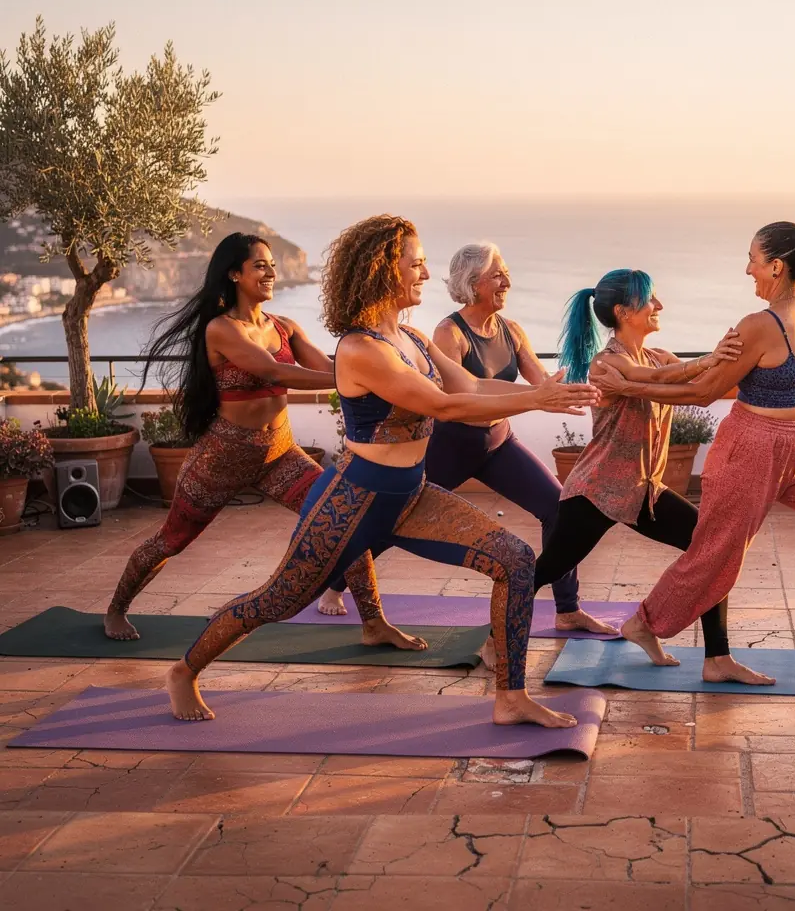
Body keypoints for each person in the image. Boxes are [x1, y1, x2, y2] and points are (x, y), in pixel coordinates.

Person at [164, 214, 600, 727]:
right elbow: (444, 406)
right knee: (278, 600)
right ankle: (184, 672)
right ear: (382, 269)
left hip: (411, 495)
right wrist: (537, 400)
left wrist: (541, 393)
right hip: (352, 500)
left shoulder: (411, 336)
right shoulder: (361, 348)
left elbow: (470, 387)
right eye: (416, 264)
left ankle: (510, 697)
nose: (426, 273)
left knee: (516, 560)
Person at [587, 218, 795, 665]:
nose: (748, 269)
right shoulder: (759, 325)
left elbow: (712, 390)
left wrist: (633, 384)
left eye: (753, 260)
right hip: (749, 449)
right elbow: (705, 391)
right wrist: (632, 385)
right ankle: (645, 624)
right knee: (717, 556)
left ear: (777, 267)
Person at [316, 241, 614, 634]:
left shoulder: (511, 330)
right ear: (473, 284)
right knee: (393, 522)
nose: (506, 281)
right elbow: (456, 398)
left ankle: (568, 608)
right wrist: (535, 398)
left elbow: (540, 383)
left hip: (498, 444)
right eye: (496, 275)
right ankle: (336, 584)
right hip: (452, 447)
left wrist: (568, 393)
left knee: (558, 507)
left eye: (506, 273)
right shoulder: (447, 333)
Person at [529, 268, 775, 684]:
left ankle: (717, 658)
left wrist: (754, 360)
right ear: (624, 312)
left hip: (644, 491)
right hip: (597, 491)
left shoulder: (658, 355)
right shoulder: (606, 365)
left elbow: (702, 384)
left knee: (713, 548)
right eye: (649, 301)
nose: (659, 306)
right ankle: (496, 635)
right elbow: (657, 381)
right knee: (544, 571)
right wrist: (711, 357)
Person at [103, 233, 337, 641]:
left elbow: (326, 368)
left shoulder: (285, 327)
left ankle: (373, 620)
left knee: (340, 515)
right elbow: (274, 372)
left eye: (272, 265)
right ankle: (116, 609)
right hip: (222, 459)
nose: (270, 272)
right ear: (234, 274)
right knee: (171, 540)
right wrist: (355, 379)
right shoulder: (222, 329)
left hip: (279, 454)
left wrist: (371, 368)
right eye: (260, 265)